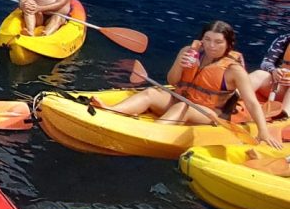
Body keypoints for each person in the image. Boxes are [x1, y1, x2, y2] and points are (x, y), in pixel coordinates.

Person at [104, 20, 282, 148]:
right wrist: (180, 64)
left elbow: (251, 102)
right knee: (151, 93)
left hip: (210, 113)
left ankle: (151, 133)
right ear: (201, 39)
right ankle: (108, 112)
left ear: (229, 44)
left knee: (184, 106)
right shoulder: (188, 52)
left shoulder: (234, 70)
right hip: (181, 99)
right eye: (207, 39)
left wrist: (263, 131)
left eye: (218, 42)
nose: (211, 46)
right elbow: (172, 81)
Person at [248, 32, 290, 106]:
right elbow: (266, 63)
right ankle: (232, 98)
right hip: (279, 87)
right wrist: (273, 71)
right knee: (259, 74)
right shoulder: (283, 40)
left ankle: (285, 112)